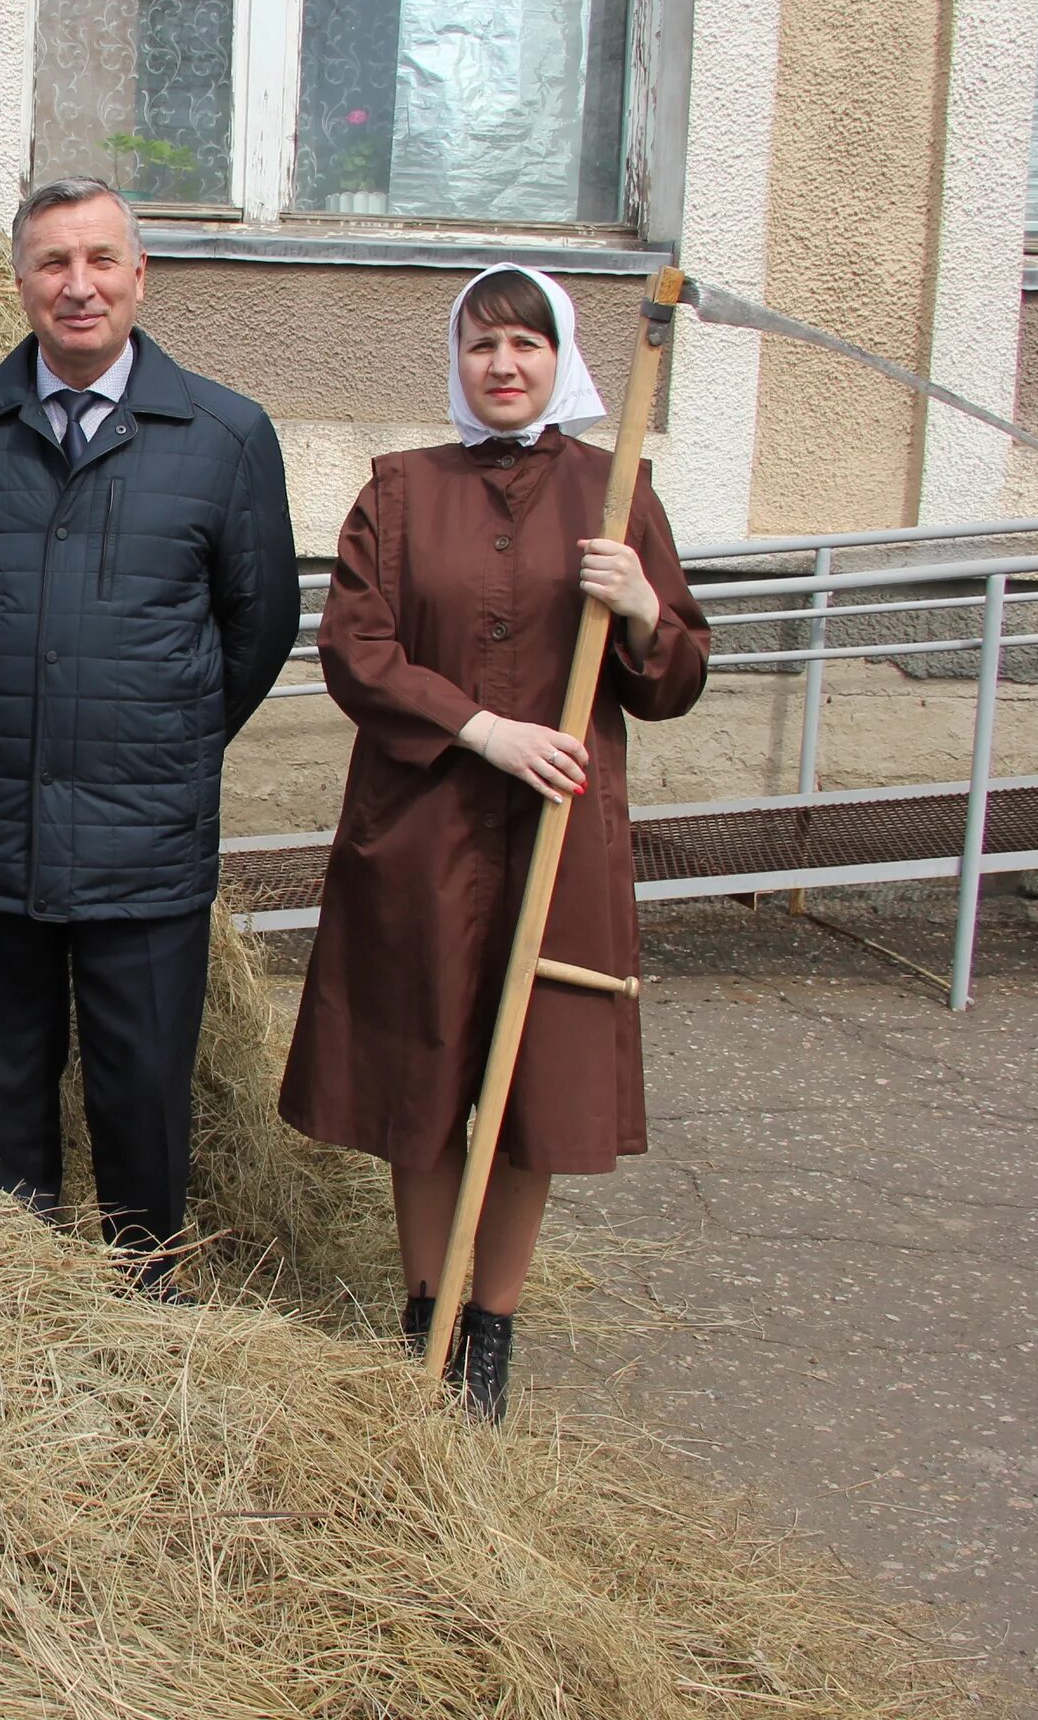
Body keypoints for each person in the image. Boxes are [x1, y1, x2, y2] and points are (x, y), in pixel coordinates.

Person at [282, 264, 709, 1419]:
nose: (504, 364)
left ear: (560, 357)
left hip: (559, 836)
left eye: (525, 344)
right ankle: (423, 1307)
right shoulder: (401, 492)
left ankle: (490, 1332)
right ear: (458, 363)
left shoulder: (617, 493)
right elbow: (356, 649)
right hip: (422, 830)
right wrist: (479, 729)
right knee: (421, 1075)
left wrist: (639, 610)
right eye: (482, 346)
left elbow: (675, 678)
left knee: (534, 1087)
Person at [0, 177, 296, 1286]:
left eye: (100, 260)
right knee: (0, 1078)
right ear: (19, 280)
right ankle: (19, 1295)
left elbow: (258, 623)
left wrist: (162, 735)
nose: (78, 286)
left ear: (139, 274)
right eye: (51, 263)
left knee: (139, 1083)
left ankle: (145, 1289)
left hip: (146, 838)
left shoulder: (223, 434)